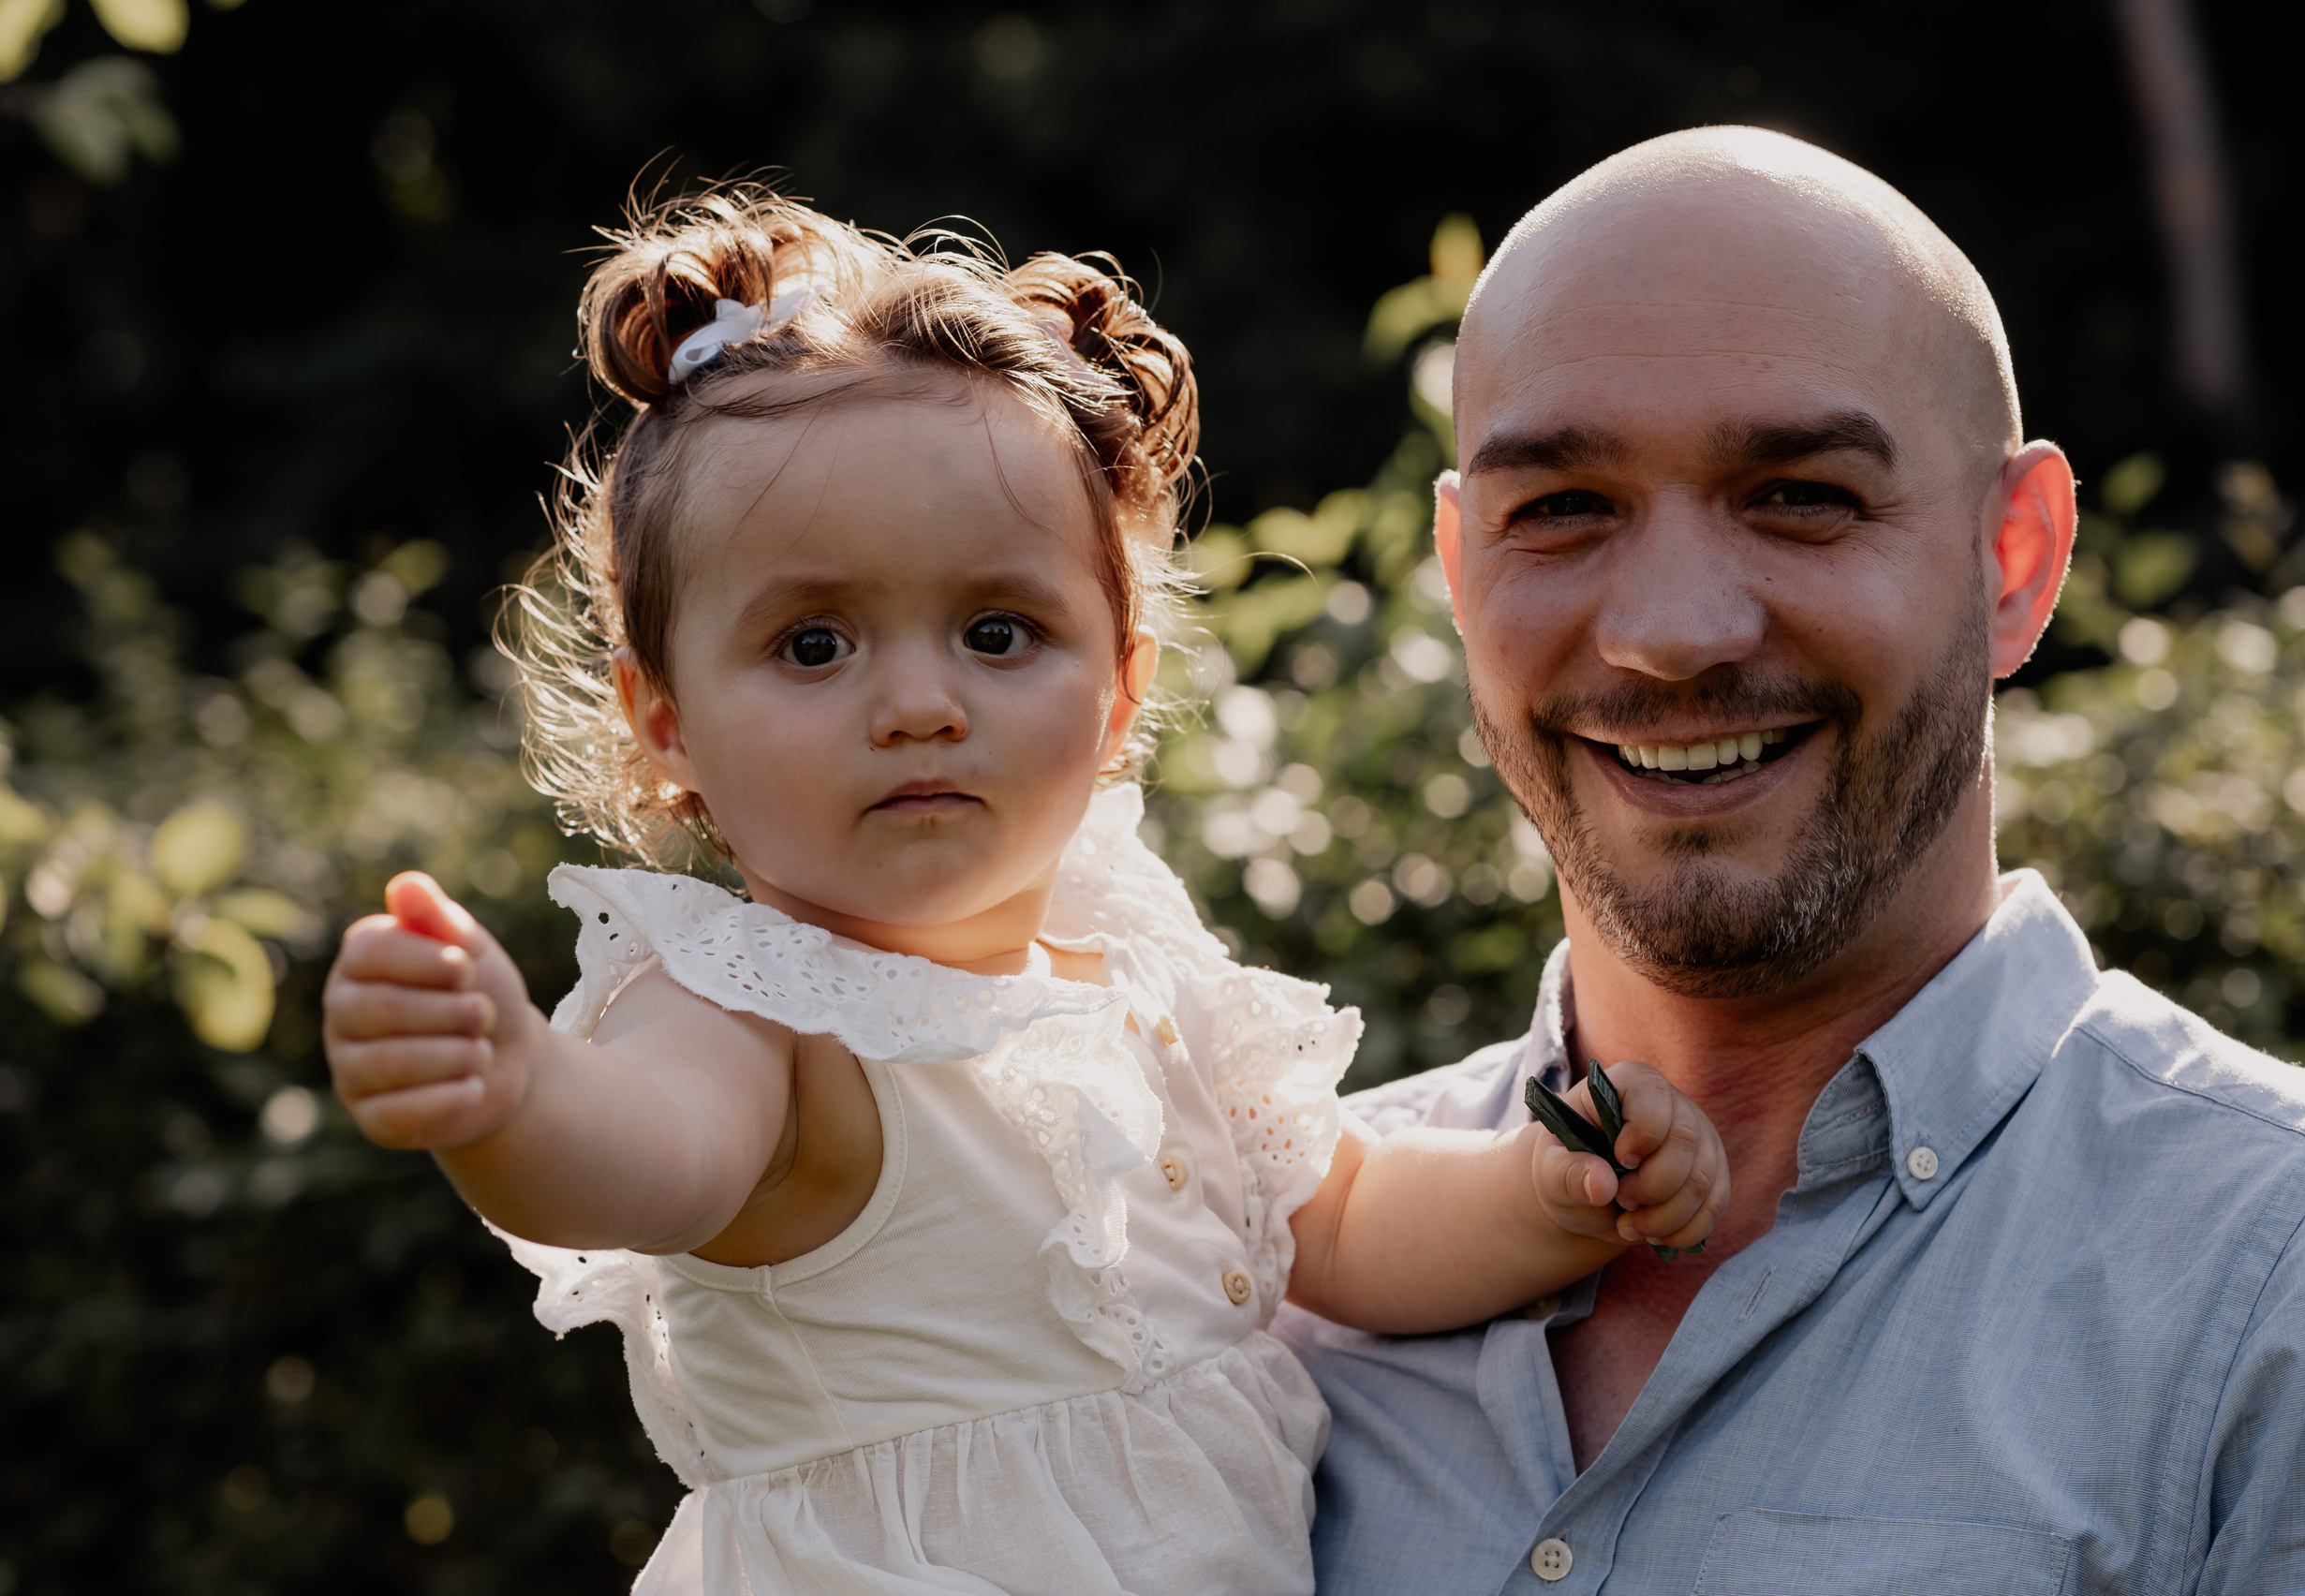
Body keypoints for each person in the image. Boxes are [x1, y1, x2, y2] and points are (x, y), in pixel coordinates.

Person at [318, 190, 1730, 1595]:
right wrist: (512, 1095)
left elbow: (1342, 1228)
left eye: (999, 632)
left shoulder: (1136, 969)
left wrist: (1550, 1197)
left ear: (1123, 686)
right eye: (813, 646)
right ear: (666, 716)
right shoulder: (753, 1009)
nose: (921, 704)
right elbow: (648, 1155)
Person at [1277, 127, 2305, 1593]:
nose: (1671, 630)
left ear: (2017, 561)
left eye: (1801, 494)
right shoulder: (1243, 1264)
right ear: (1460, 569)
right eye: (1559, 509)